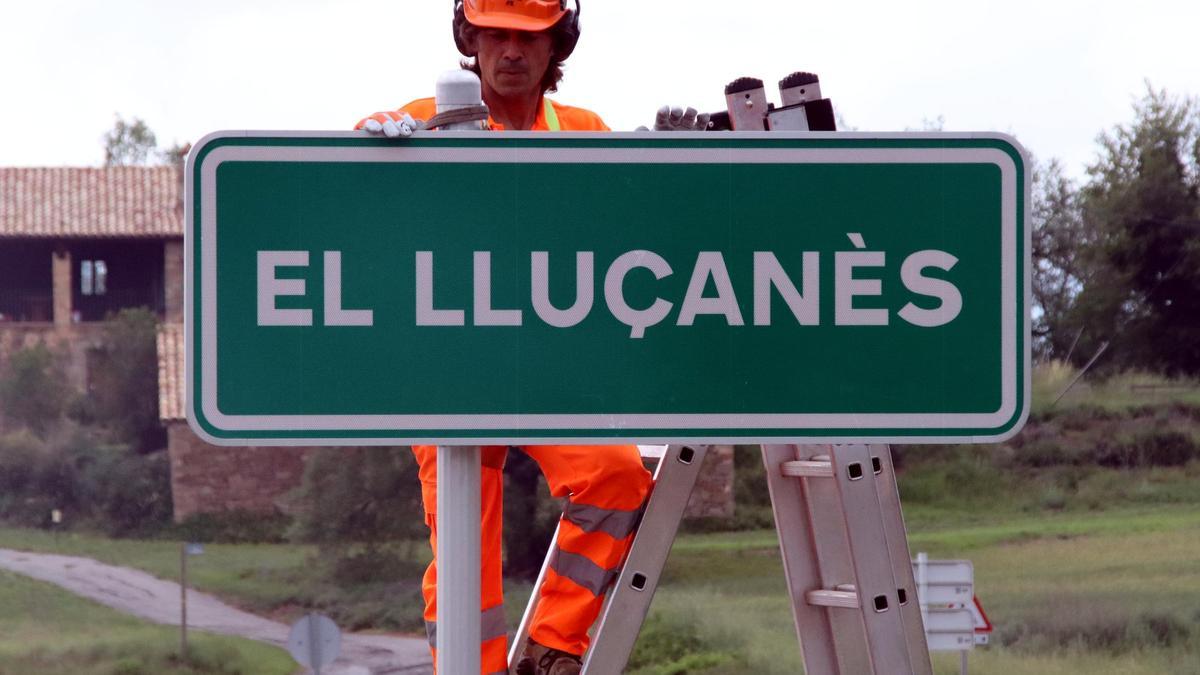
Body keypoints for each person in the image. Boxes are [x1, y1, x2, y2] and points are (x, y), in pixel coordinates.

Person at [354, 2, 704, 673]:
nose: (510, 51)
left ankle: (550, 647)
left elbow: (637, 231)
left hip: (546, 370)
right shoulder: (424, 117)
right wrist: (368, 149)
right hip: (447, 375)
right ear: (471, 39)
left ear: (555, 49)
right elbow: (340, 185)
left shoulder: (583, 132)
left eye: (526, 37)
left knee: (617, 476)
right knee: (464, 554)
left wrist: (673, 163)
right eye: (496, 35)